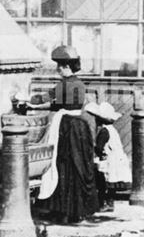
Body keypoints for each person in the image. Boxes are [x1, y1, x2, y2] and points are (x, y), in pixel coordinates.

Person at [32, 45, 99, 224]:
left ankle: (63, 210)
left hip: (67, 128)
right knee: (77, 167)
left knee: (62, 166)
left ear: (67, 67)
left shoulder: (66, 84)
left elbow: (49, 100)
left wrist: (29, 102)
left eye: (60, 66)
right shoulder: (79, 83)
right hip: (79, 127)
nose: (58, 69)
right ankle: (75, 211)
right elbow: (60, 103)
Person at [86, 101, 132, 212]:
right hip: (116, 158)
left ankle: (103, 203)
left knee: (103, 182)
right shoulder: (112, 130)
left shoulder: (104, 131)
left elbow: (99, 147)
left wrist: (94, 150)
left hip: (109, 160)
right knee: (110, 183)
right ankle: (110, 202)